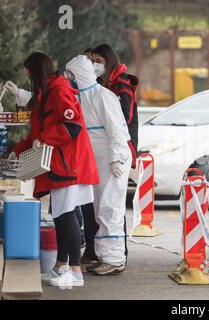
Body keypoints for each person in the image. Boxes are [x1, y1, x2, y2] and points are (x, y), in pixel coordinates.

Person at [8, 52, 100, 287]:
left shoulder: (59, 91)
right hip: (59, 162)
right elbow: (37, 134)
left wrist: (46, 139)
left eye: (29, 73)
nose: (27, 77)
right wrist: (17, 150)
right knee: (59, 215)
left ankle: (76, 271)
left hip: (69, 163)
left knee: (66, 214)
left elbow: (72, 125)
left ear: (36, 72)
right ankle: (61, 266)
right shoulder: (45, 95)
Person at [65, 55, 132, 275]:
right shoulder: (84, 97)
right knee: (98, 209)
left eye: (71, 75)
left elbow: (116, 130)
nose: (69, 79)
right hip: (99, 159)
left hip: (112, 159)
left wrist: (115, 157)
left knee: (110, 206)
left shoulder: (103, 96)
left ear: (80, 74)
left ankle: (114, 259)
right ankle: (104, 256)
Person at [91, 44, 140, 262]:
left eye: (98, 61)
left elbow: (124, 119)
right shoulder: (103, 85)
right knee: (106, 203)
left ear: (108, 61)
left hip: (121, 149)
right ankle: (104, 251)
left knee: (114, 203)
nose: (95, 66)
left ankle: (119, 253)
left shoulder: (122, 85)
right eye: (93, 61)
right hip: (109, 149)